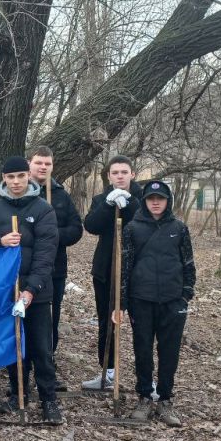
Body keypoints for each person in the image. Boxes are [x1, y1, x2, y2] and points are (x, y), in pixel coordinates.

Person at [0, 156, 63, 424]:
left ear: (28, 177)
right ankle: (18, 393)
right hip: (6, 292)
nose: (15, 182)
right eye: (10, 177)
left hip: (35, 294)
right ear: (4, 179)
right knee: (15, 345)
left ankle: (49, 399)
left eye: (20, 177)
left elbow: (46, 255)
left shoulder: (43, 209)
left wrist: (31, 290)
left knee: (41, 348)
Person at [119, 180, 195, 427]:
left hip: (173, 300)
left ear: (167, 201)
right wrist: (124, 301)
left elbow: (188, 264)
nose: (155, 202)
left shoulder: (179, 228)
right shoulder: (132, 228)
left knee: (169, 351)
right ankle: (143, 396)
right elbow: (126, 267)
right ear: (144, 200)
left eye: (160, 198)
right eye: (151, 198)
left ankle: (165, 398)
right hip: (142, 300)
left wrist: (185, 295)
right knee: (142, 350)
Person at [81, 156, 143, 390]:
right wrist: (108, 206)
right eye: (115, 172)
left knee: (143, 326)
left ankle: (145, 380)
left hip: (137, 272)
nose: (119, 176)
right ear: (109, 176)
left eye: (124, 172)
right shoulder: (100, 199)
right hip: (105, 270)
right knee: (108, 323)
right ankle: (107, 373)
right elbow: (91, 226)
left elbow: (145, 224)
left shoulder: (144, 199)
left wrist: (132, 205)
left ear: (132, 174)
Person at [28, 146, 83, 388]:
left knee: (51, 319)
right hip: (25, 269)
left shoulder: (60, 194)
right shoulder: (21, 192)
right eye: (39, 162)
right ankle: (21, 368)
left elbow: (76, 229)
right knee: (23, 317)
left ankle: (47, 368)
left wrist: (52, 235)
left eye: (47, 164)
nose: (43, 167)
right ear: (31, 163)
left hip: (54, 270)